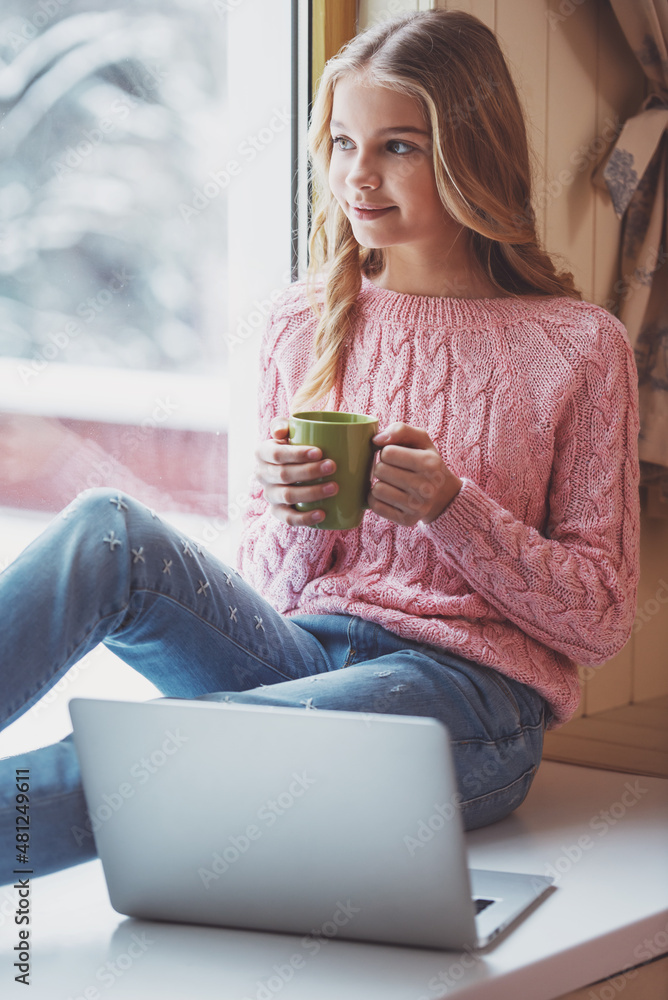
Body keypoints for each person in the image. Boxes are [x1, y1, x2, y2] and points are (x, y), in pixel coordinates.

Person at [0, 9, 640, 883]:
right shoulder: (299, 322)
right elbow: (269, 590)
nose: (359, 176)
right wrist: (299, 512)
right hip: (297, 658)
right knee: (106, 528)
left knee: (191, 746)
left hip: (464, 702)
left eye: (398, 147)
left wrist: (452, 511)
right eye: (342, 142)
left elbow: (601, 620)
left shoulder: (578, 345)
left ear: (470, 150)